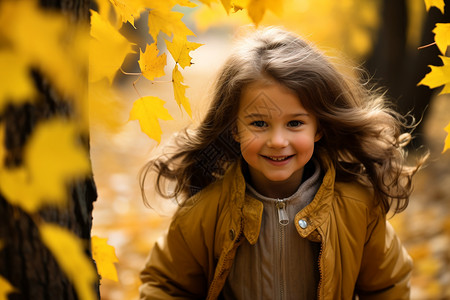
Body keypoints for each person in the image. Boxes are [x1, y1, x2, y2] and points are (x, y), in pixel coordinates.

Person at [138, 27, 426, 299]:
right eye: (259, 123)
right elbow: (166, 285)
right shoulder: (204, 212)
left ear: (319, 127)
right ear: (235, 128)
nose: (277, 140)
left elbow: (389, 285)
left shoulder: (357, 206)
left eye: (295, 123)